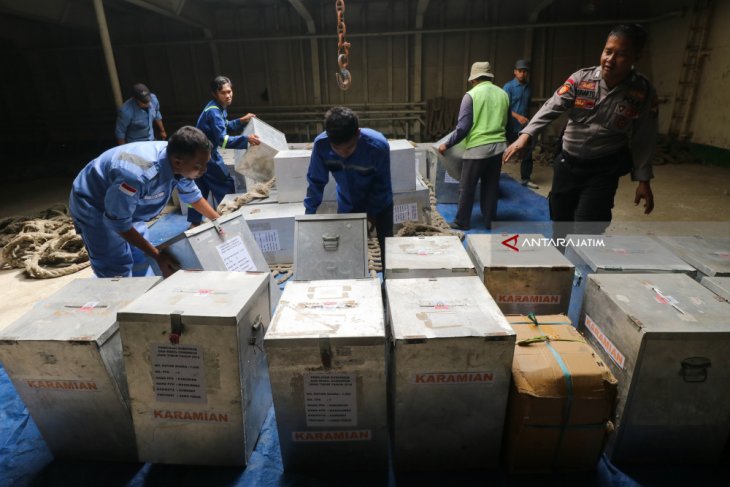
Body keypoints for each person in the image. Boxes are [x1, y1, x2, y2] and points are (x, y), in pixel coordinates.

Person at [503, 24, 657, 240]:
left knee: (589, 226)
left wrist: (643, 180)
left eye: (621, 54)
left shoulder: (641, 92)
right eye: (608, 51)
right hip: (568, 163)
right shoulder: (581, 79)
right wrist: (526, 136)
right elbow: (551, 107)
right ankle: (561, 265)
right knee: (560, 220)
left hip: (603, 169)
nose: (610, 59)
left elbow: (645, 136)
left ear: (635, 57)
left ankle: (583, 268)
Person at [70, 126, 220, 278]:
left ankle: (142, 293)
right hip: (95, 205)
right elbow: (119, 222)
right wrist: (158, 255)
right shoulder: (136, 176)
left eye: (206, 163)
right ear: (178, 162)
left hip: (128, 206)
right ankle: (121, 296)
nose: (204, 170)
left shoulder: (179, 160)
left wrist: (219, 221)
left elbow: (192, 196)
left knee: (141, 257)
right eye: (199, 166)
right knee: (116, 265)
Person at [304, 106, 393, 258]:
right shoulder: (321, 146)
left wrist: (371, 213)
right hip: (347, 203)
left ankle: (388, 279)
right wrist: (309, 215)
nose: (344, 154)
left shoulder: (378, 146)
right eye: (337, 149)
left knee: (387, 248)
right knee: (349, 251)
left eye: (350, 147)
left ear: (357, 133)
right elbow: (316, 182)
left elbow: (381, 184)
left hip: (380, 205)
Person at [439, 61, 509, 230]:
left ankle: (462, 221)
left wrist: (446, 144)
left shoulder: (471, 95)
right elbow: (509, 124)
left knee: (467, 186)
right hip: (499, 147)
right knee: (491, 186)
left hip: (478, 148)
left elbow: (463, 128)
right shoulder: (503, 94)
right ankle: (489, 221)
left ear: (473, 80)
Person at [187, 76, 261, 226]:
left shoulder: (215, 107)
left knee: (199, 189)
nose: (228, 95)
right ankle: (229, 219)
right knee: (225, 183)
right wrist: (246, 139)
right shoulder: (214, 112)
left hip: (195, 155)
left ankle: (194, 222)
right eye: (223, 93)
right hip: (206, 156)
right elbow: (223, 139)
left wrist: (241, 120)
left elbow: (224, 125)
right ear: (215, 93)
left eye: (230, 91)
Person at [503, 59, 538, 189]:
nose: (523, 74)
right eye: (520, 71)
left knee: (527, 152)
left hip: (524, 127)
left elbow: (527, 106)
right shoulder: (508, 87)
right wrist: (517, 117)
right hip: (510, 126)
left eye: (525, 71)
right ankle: (493, 177)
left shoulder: (529, 88)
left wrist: (527, 120)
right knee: (500, 151)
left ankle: (526, 179)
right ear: (515, 72)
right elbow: (503, 107)